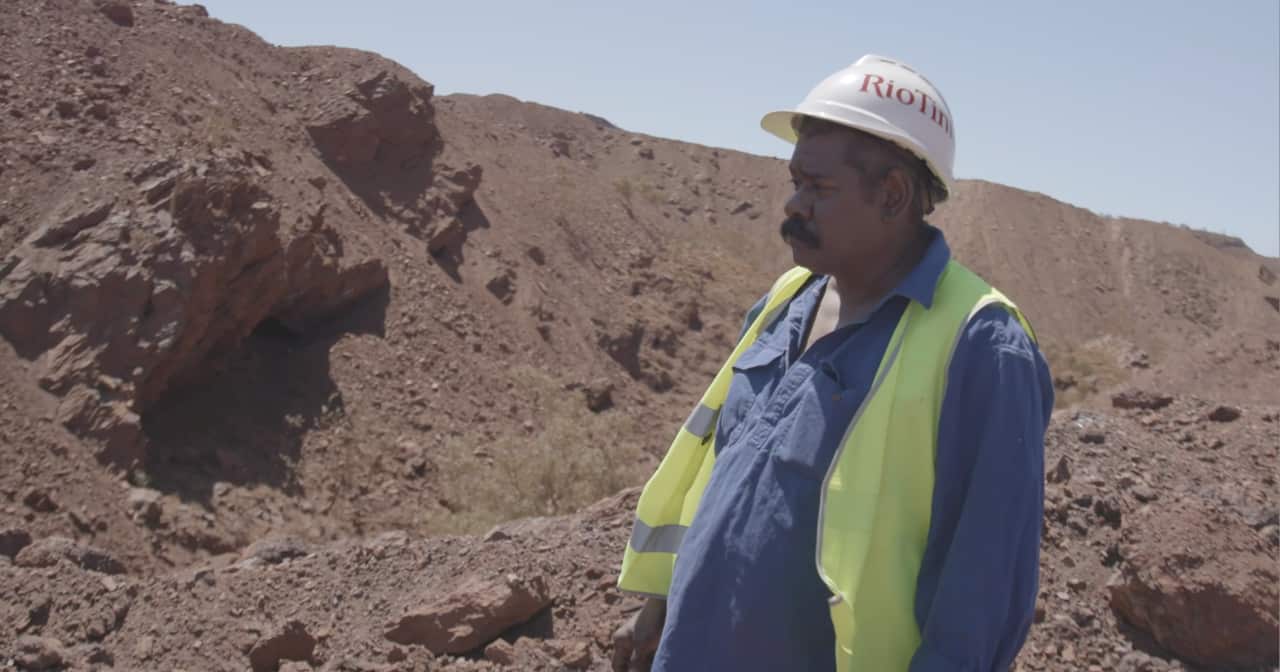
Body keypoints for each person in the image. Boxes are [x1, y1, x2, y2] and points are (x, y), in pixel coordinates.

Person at [611, 55, 1054, 672]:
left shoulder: (983, 345)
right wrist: (662, 602)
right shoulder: (790, 296)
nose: (793, 206)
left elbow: (980, 592)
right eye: (795, 183)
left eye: (818, 188)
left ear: (893, 195)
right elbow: (721, 471)